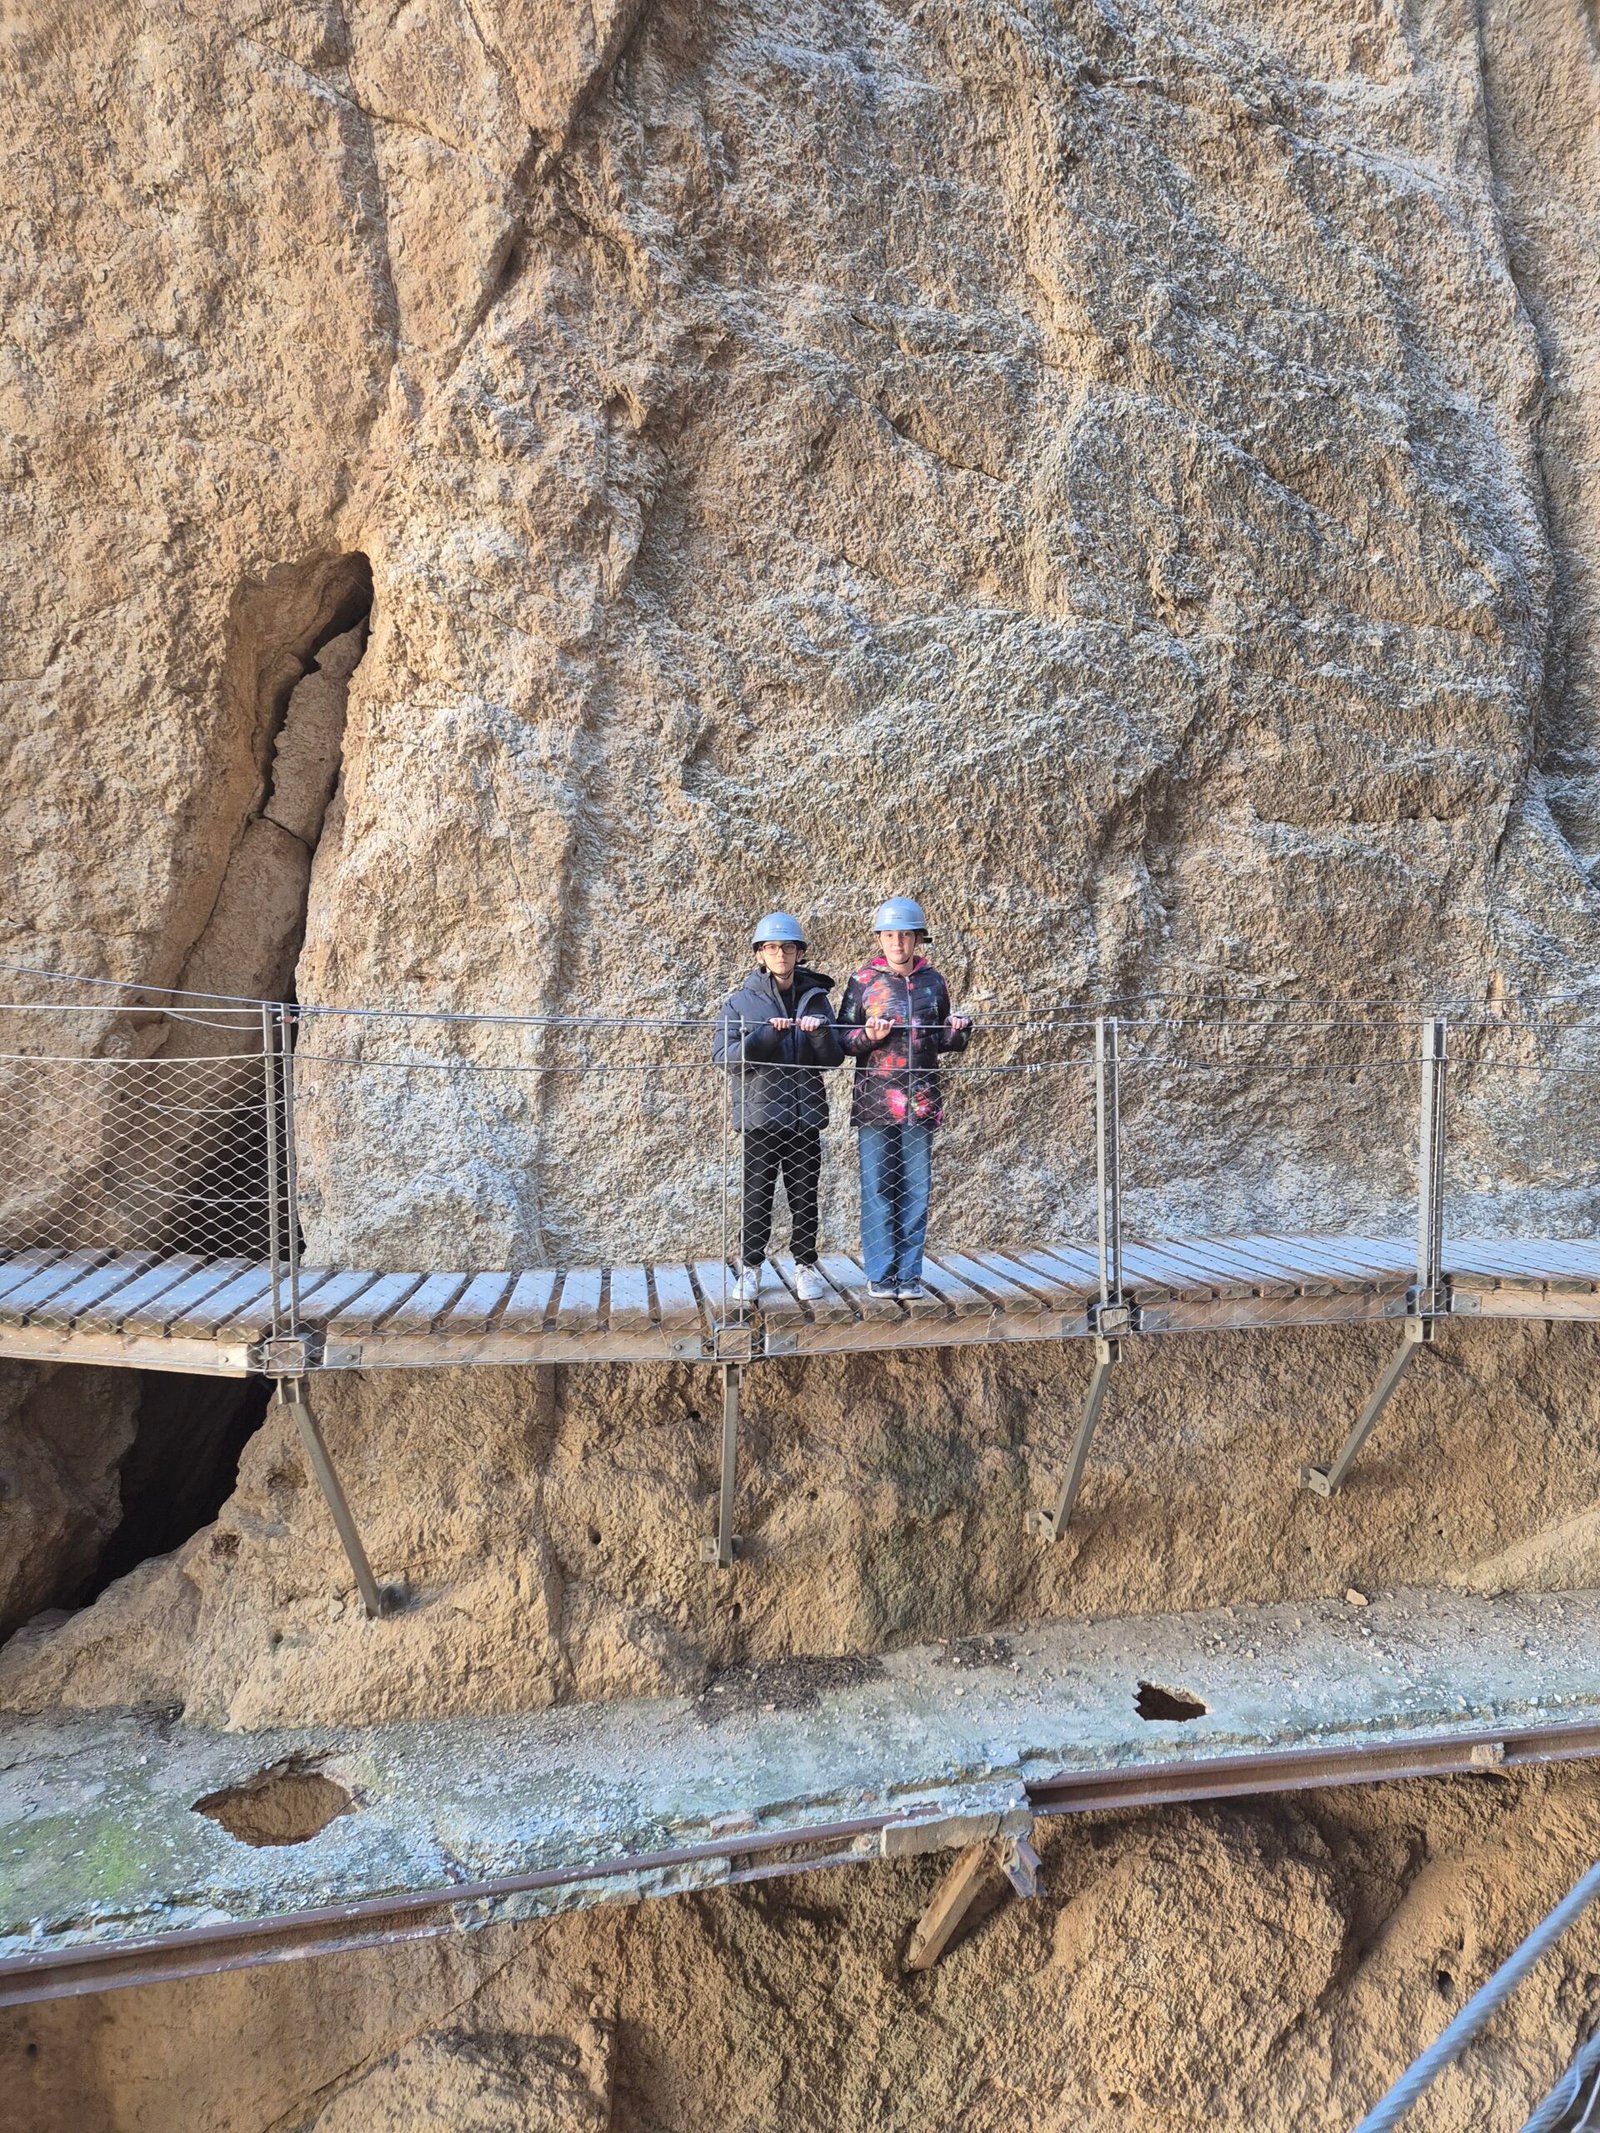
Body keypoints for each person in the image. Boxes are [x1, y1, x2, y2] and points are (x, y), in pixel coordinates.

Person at [836, 897, 971, 1300]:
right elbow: (842, 1039)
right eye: (890, 935)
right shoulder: (863, 981)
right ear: (879, 938)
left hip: (922, 1100)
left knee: (917, 1189)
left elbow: (940, 1038)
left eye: (906, 935)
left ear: (917, 939)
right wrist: (868, 1037)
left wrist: (958, 1030)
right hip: (875, 1102)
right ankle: (880, 1274)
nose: (898, 942)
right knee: (877, 1188)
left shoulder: (935, 981)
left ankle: (909, 1275)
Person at [713, 912, 843, 1307]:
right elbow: (725, 1058)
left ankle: (805, 1266)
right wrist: (765, 1035)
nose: (780, 954)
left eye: (788, 947)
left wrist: (819, 1034)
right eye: (771, 947)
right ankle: (751, 1267)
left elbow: (833, 1059)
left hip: (805, 1117)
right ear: (760, 954)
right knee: (757, 1196)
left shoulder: (816, 999)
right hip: (760, 1118)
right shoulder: (739, 1002)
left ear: (800, 953)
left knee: (805, 1197)